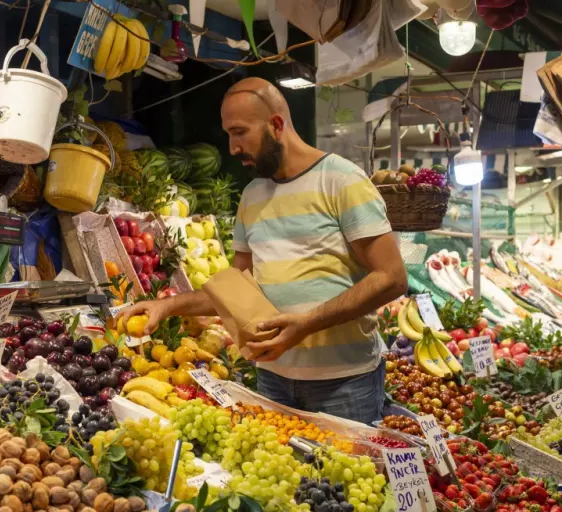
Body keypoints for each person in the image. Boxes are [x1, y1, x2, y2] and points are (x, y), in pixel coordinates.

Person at [123, 77, 407, 424]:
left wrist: (306, 324)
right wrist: (166, 306)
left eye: (239, 132)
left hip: (344, 385)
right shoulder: (252, 196)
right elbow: (239, 289)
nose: (232, 147)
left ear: (275, 125)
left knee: (347, 476)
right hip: (273, 382)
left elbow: (392, 278)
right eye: (228, 133)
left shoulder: (342, 181)